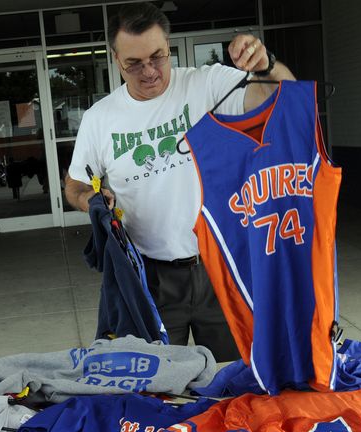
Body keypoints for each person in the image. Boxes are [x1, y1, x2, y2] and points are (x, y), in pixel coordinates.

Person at [65, 2, 295, 362]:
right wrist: (92, 201)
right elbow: (75, 184)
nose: (149, 71)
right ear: (115, 58)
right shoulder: (100, 119)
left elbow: (284, 98)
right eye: (134, 64)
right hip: (150, 278)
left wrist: (265, 64)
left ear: (169, 47)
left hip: (220, 267)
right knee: (157, 384)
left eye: (158, 57)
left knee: (237, 377)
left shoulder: (206, 84)